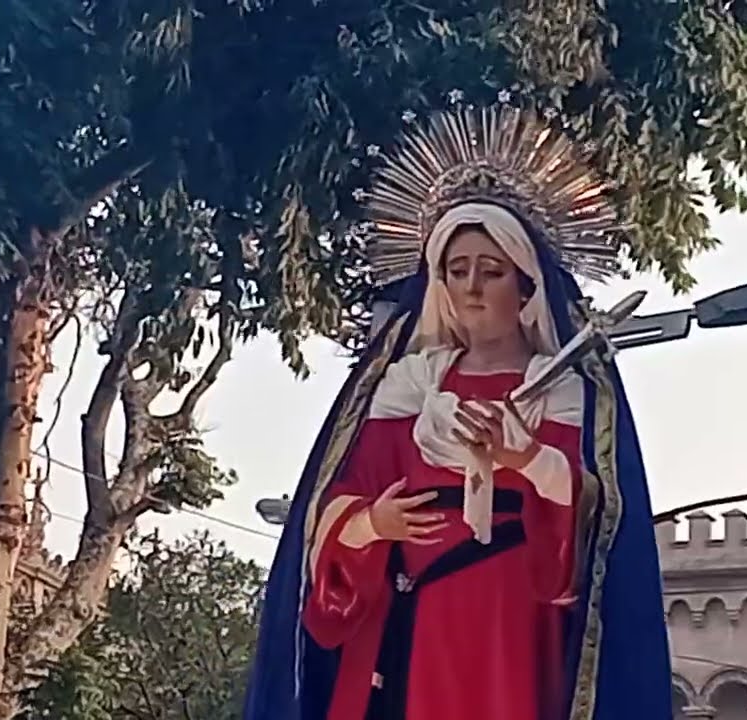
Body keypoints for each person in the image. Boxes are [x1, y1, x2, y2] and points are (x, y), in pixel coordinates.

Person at [245, 105, 671, 720]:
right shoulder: (404, 388)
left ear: (525, 285)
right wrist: (373, 526)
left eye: (491, 271)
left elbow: (592, 541)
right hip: (407, 617)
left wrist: (525, 459)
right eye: (457, 271)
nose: (472, 287)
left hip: (509, 621)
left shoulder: (563, 395)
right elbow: (336, 506)